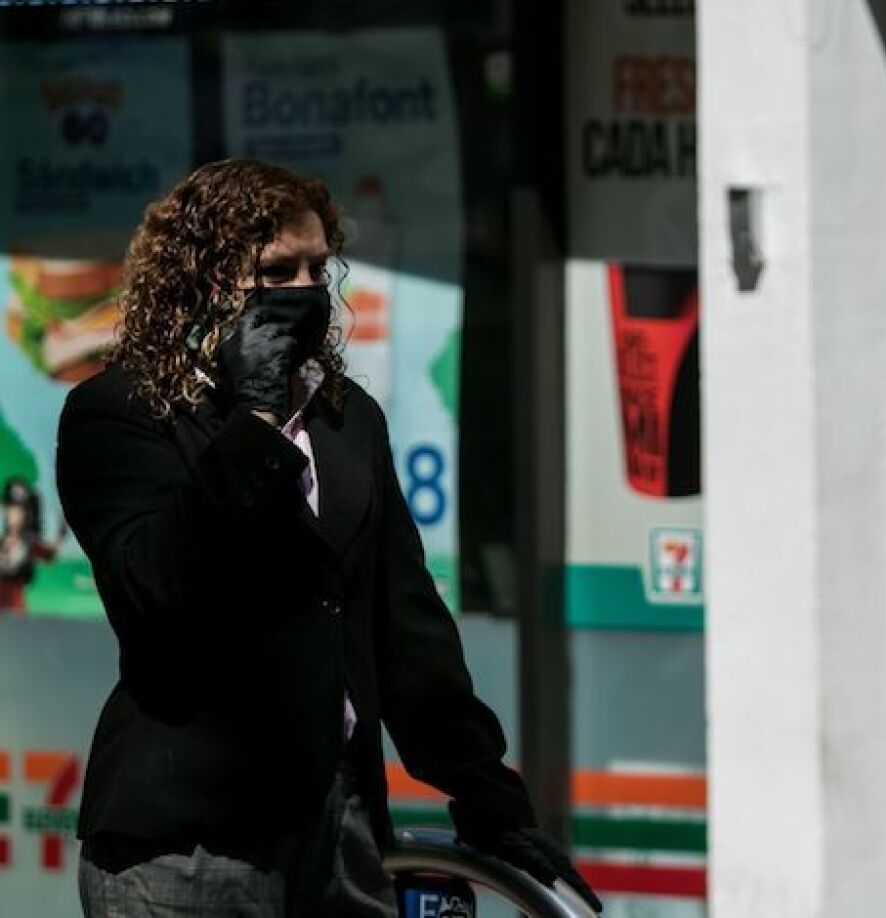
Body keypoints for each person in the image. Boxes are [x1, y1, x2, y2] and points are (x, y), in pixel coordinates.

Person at [56, 159, 602, 916]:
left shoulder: (347, 418)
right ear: (203, 284)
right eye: (277, 270)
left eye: (318, 266)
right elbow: (155, 590)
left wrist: (485, 794)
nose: (305, 287)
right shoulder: (121, 413)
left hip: (338, 822)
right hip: (191, 843)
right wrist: (250, 423)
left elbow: (403, 623)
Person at [0, 476, 63, 613]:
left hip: (16, 609)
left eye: (18, 510)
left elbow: (50, 555)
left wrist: (60, 533)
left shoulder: (28, 542)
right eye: (9, 508)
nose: (12, 514)